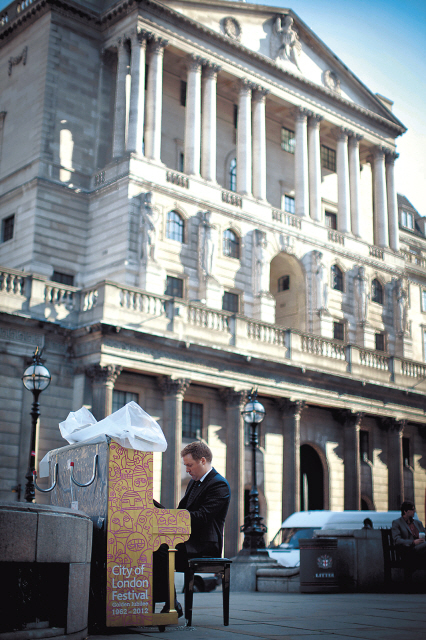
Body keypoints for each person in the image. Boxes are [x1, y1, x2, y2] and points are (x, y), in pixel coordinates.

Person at [153, 441, 231, 612]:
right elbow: (183, 512)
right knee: (151, 547)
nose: (187, 470)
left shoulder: (219, 484)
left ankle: (171, 603)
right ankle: (159, 602)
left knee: (159, 550)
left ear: (203, 461)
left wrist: (172, 516)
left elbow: (202, 517)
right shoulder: (193, 483)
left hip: (204, 544)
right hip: (188, 540)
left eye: (189, 465)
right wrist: (161, 512)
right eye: (185, 465)